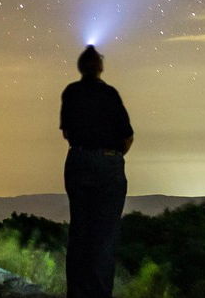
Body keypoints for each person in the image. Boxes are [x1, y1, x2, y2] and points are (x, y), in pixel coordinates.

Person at [59, 44, 133, 298]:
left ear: (81, 67)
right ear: (100, 67)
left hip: (78, 161)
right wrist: (111, 157)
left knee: (80, 230)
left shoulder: (71, 93)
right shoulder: (110, 94)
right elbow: (127, 137)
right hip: (107, 164)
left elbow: (67, 132)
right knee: (104, 236)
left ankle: (77, 292)